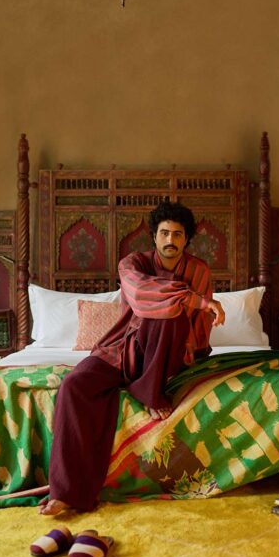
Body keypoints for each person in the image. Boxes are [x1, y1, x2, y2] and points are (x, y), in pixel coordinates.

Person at [38, 201, 225, 516]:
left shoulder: (199, 271)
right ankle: (66, 492)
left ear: (186, 239)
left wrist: (191, 357)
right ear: (153, 236)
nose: (170, 240)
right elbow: (141, 296)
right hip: (122, 349)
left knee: (172, 317)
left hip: (169, 357)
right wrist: (196, 300)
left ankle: (149, 390)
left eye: (177, 235)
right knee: (74, 385)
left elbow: (199, 329)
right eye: (164, 233)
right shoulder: (132, 264)